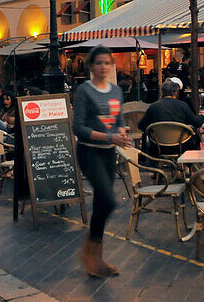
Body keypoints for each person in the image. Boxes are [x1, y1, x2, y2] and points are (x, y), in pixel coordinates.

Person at [72, 45, 130, 278]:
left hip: (108, 153)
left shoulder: (116, 91)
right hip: (89, 152)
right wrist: (110, 136)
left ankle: (95, 259)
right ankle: (90, 251)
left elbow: (121, 119)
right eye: (99, 63)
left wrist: (122, 133)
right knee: (109, 200)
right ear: (91, 66)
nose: (104, 67)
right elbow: (79, 128)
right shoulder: (84, 91)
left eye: (107, 62)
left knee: (101, 203)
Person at [138, 78, 204, 154]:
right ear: (176, 92)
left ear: (162, 92)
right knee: (196, 137)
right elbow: (197, 123)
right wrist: (202, 116)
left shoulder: (153, 107)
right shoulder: (182, 105)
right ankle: (191, 164)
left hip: (158, 146)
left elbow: (141, 126)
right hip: (182, 145)